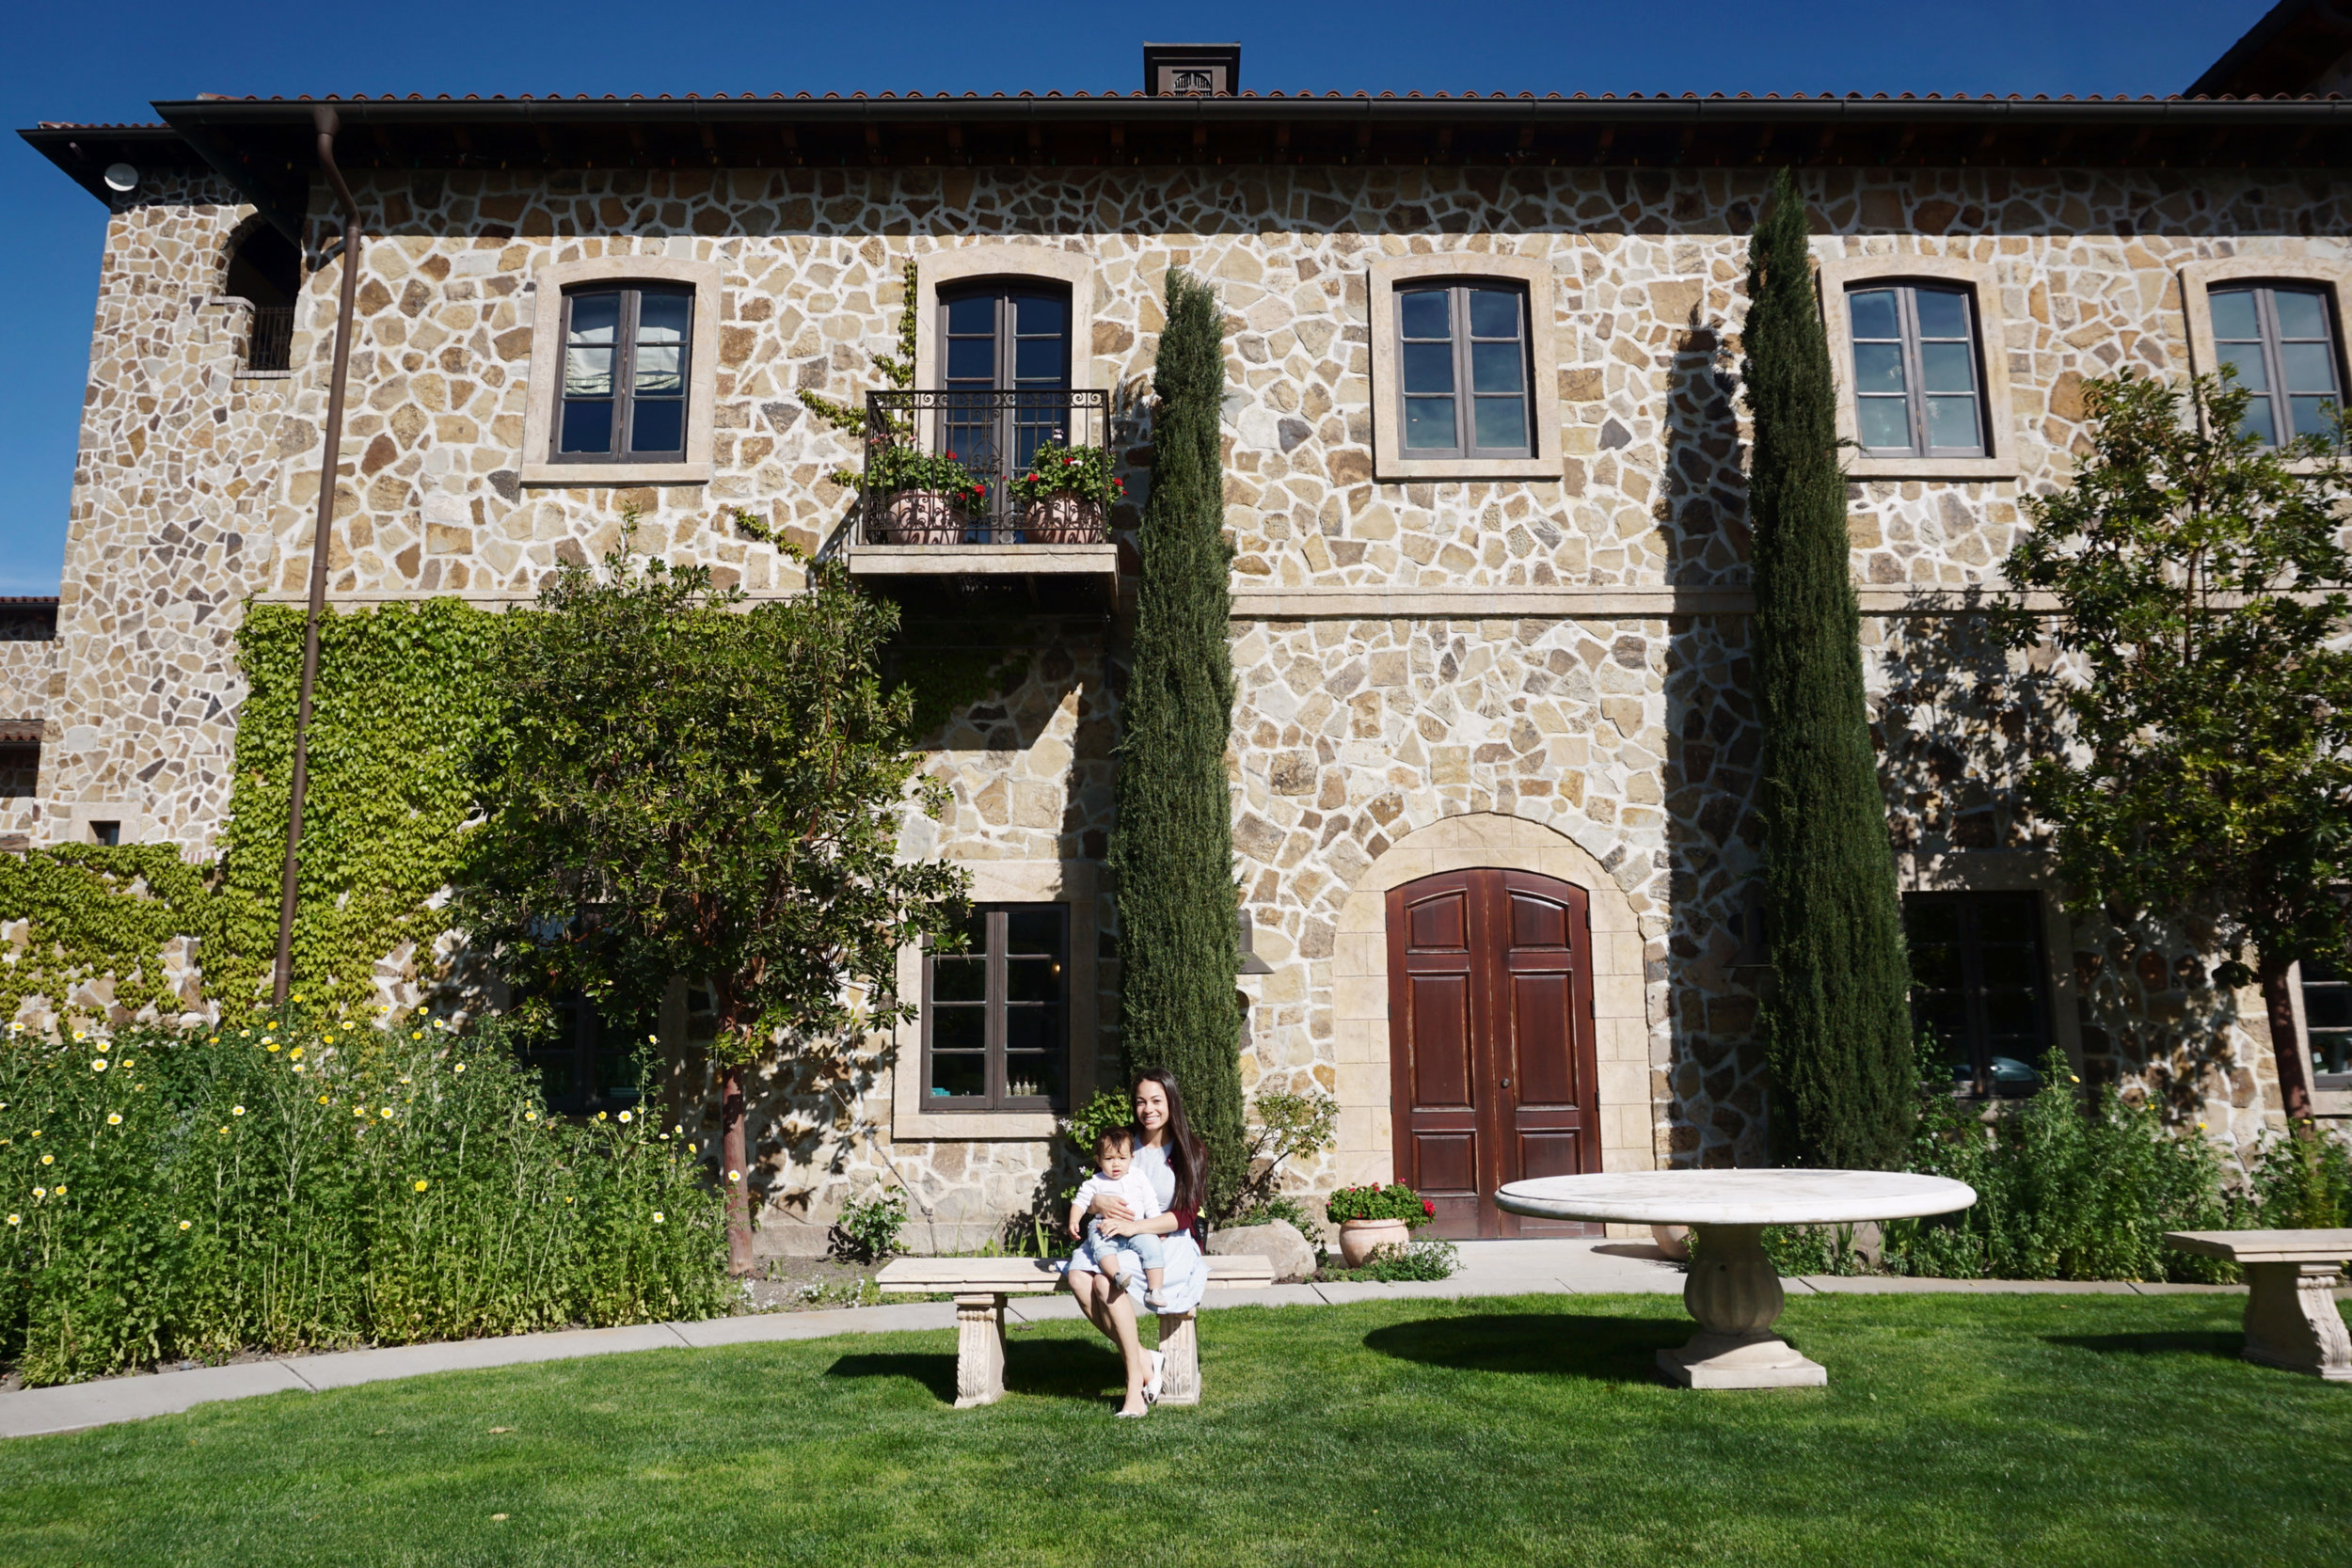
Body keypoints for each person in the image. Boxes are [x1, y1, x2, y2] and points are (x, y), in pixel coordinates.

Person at [1065, 1068, 1210, 1418]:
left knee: (1104, 1282)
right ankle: (1145, 1359)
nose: (1148, 1109)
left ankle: (1133, 1387)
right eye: (1141, 1101)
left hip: (1165, 1241)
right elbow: (1096, 1187)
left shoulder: (1191, 1150)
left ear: (1171, 1102)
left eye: (1157, 1101)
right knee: (1078, 1277)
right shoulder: (1124, 1143)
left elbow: (1187, 1215)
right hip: (1116, 1236)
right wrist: (1097, 1205)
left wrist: (1137, 1228)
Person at [1069, 1125, 1168, 1308]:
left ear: (1131, 1157)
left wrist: (1156, 1226)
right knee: (1100, 1246)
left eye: (1122, 1158)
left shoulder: (1138, 1177)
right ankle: (1117, 1275)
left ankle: (1155, 1290)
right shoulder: (1095, 1182)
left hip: (1136, 1227)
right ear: (1098, 1160)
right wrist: (1074, 1220)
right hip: (1104, 1226)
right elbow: (1080, 1202)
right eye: (1109, 1158)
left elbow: (1150, 1201)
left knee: (1153, 1247)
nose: (1116, 1164)